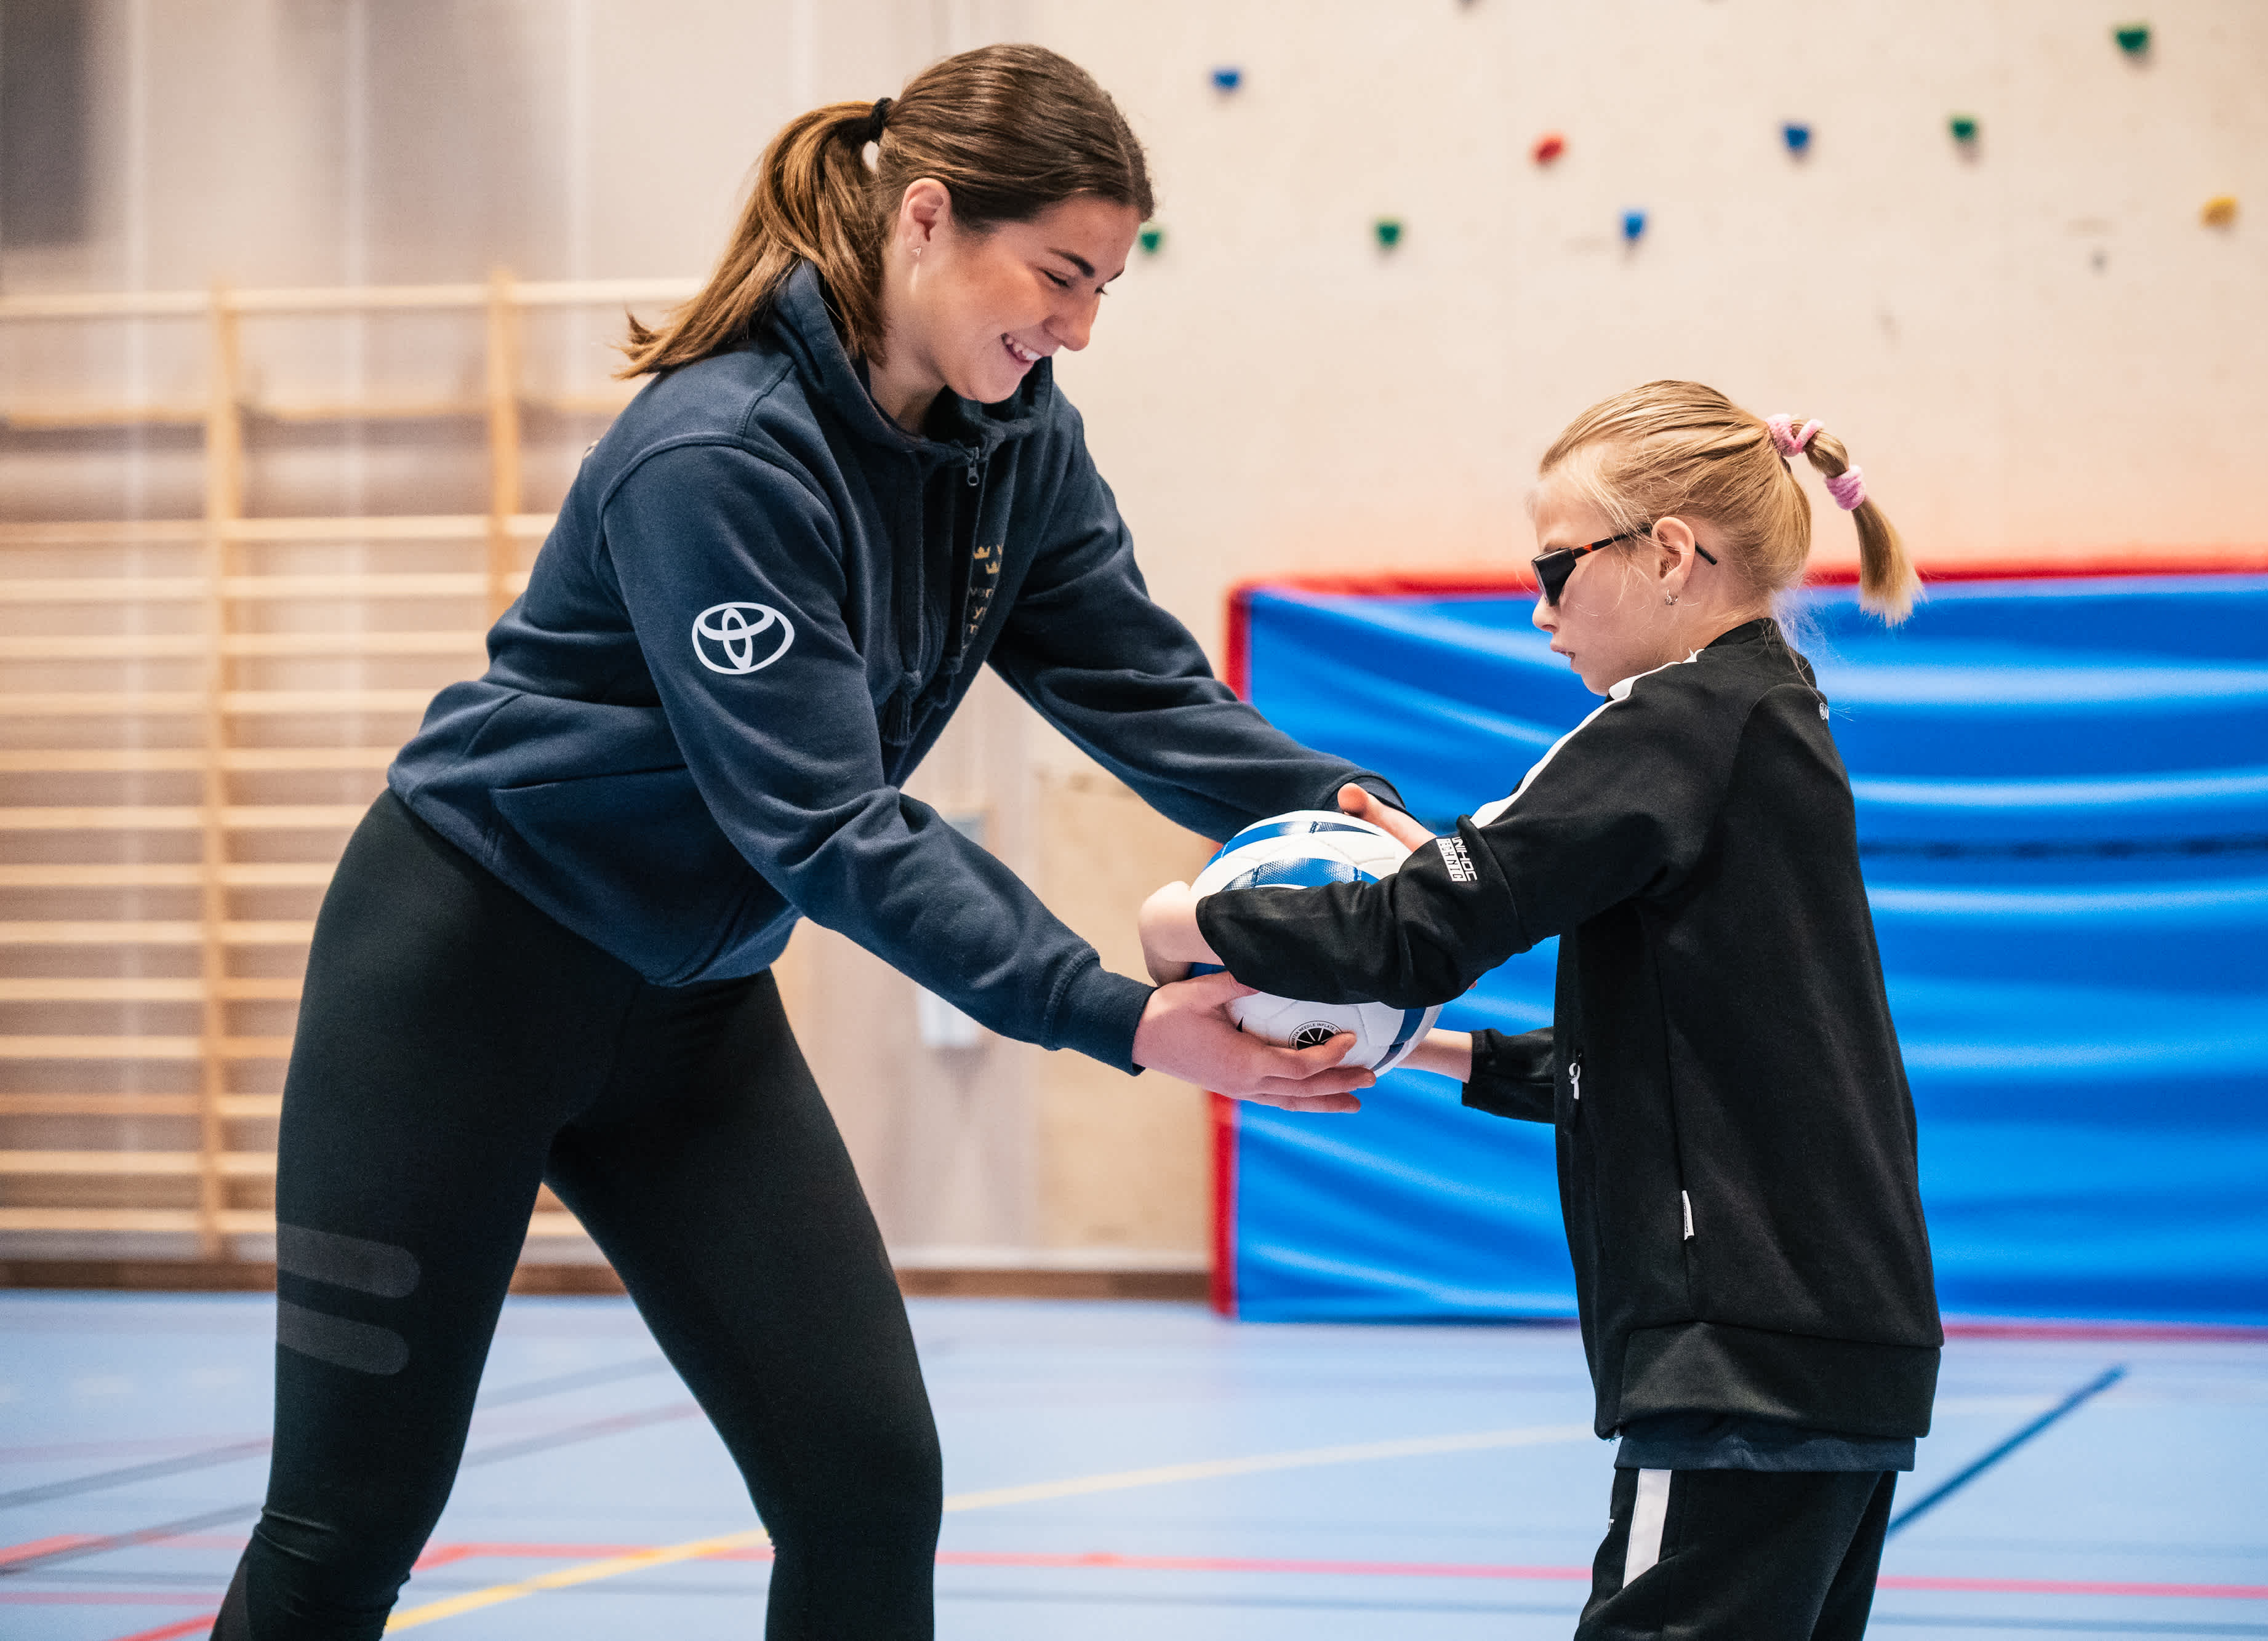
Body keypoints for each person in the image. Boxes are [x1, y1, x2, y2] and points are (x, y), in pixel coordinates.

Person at [212, 45, 1396, 1641]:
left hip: (688, 1013)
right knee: (348, 1520)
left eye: (1106, 288)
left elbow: (1138, 682)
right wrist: (1120, 1016)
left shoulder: (1015, 439)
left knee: (865, 1485)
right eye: (1059, 276)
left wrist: (1344, 811)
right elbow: (826, 822)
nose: (1078, 328)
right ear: (928, 216)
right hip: (461, 979)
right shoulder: (720, 453)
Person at [1141, 382, 1941, 1641]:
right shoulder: (1775, 715)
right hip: (1838, 1343)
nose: (1539, 609)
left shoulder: (1673, 721)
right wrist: (1420, 1048)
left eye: (1556, 568)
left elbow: (1413, 931)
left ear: (1668, 553)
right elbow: (1681, 1059)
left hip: (1737, 1344)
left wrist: (1187, 923)